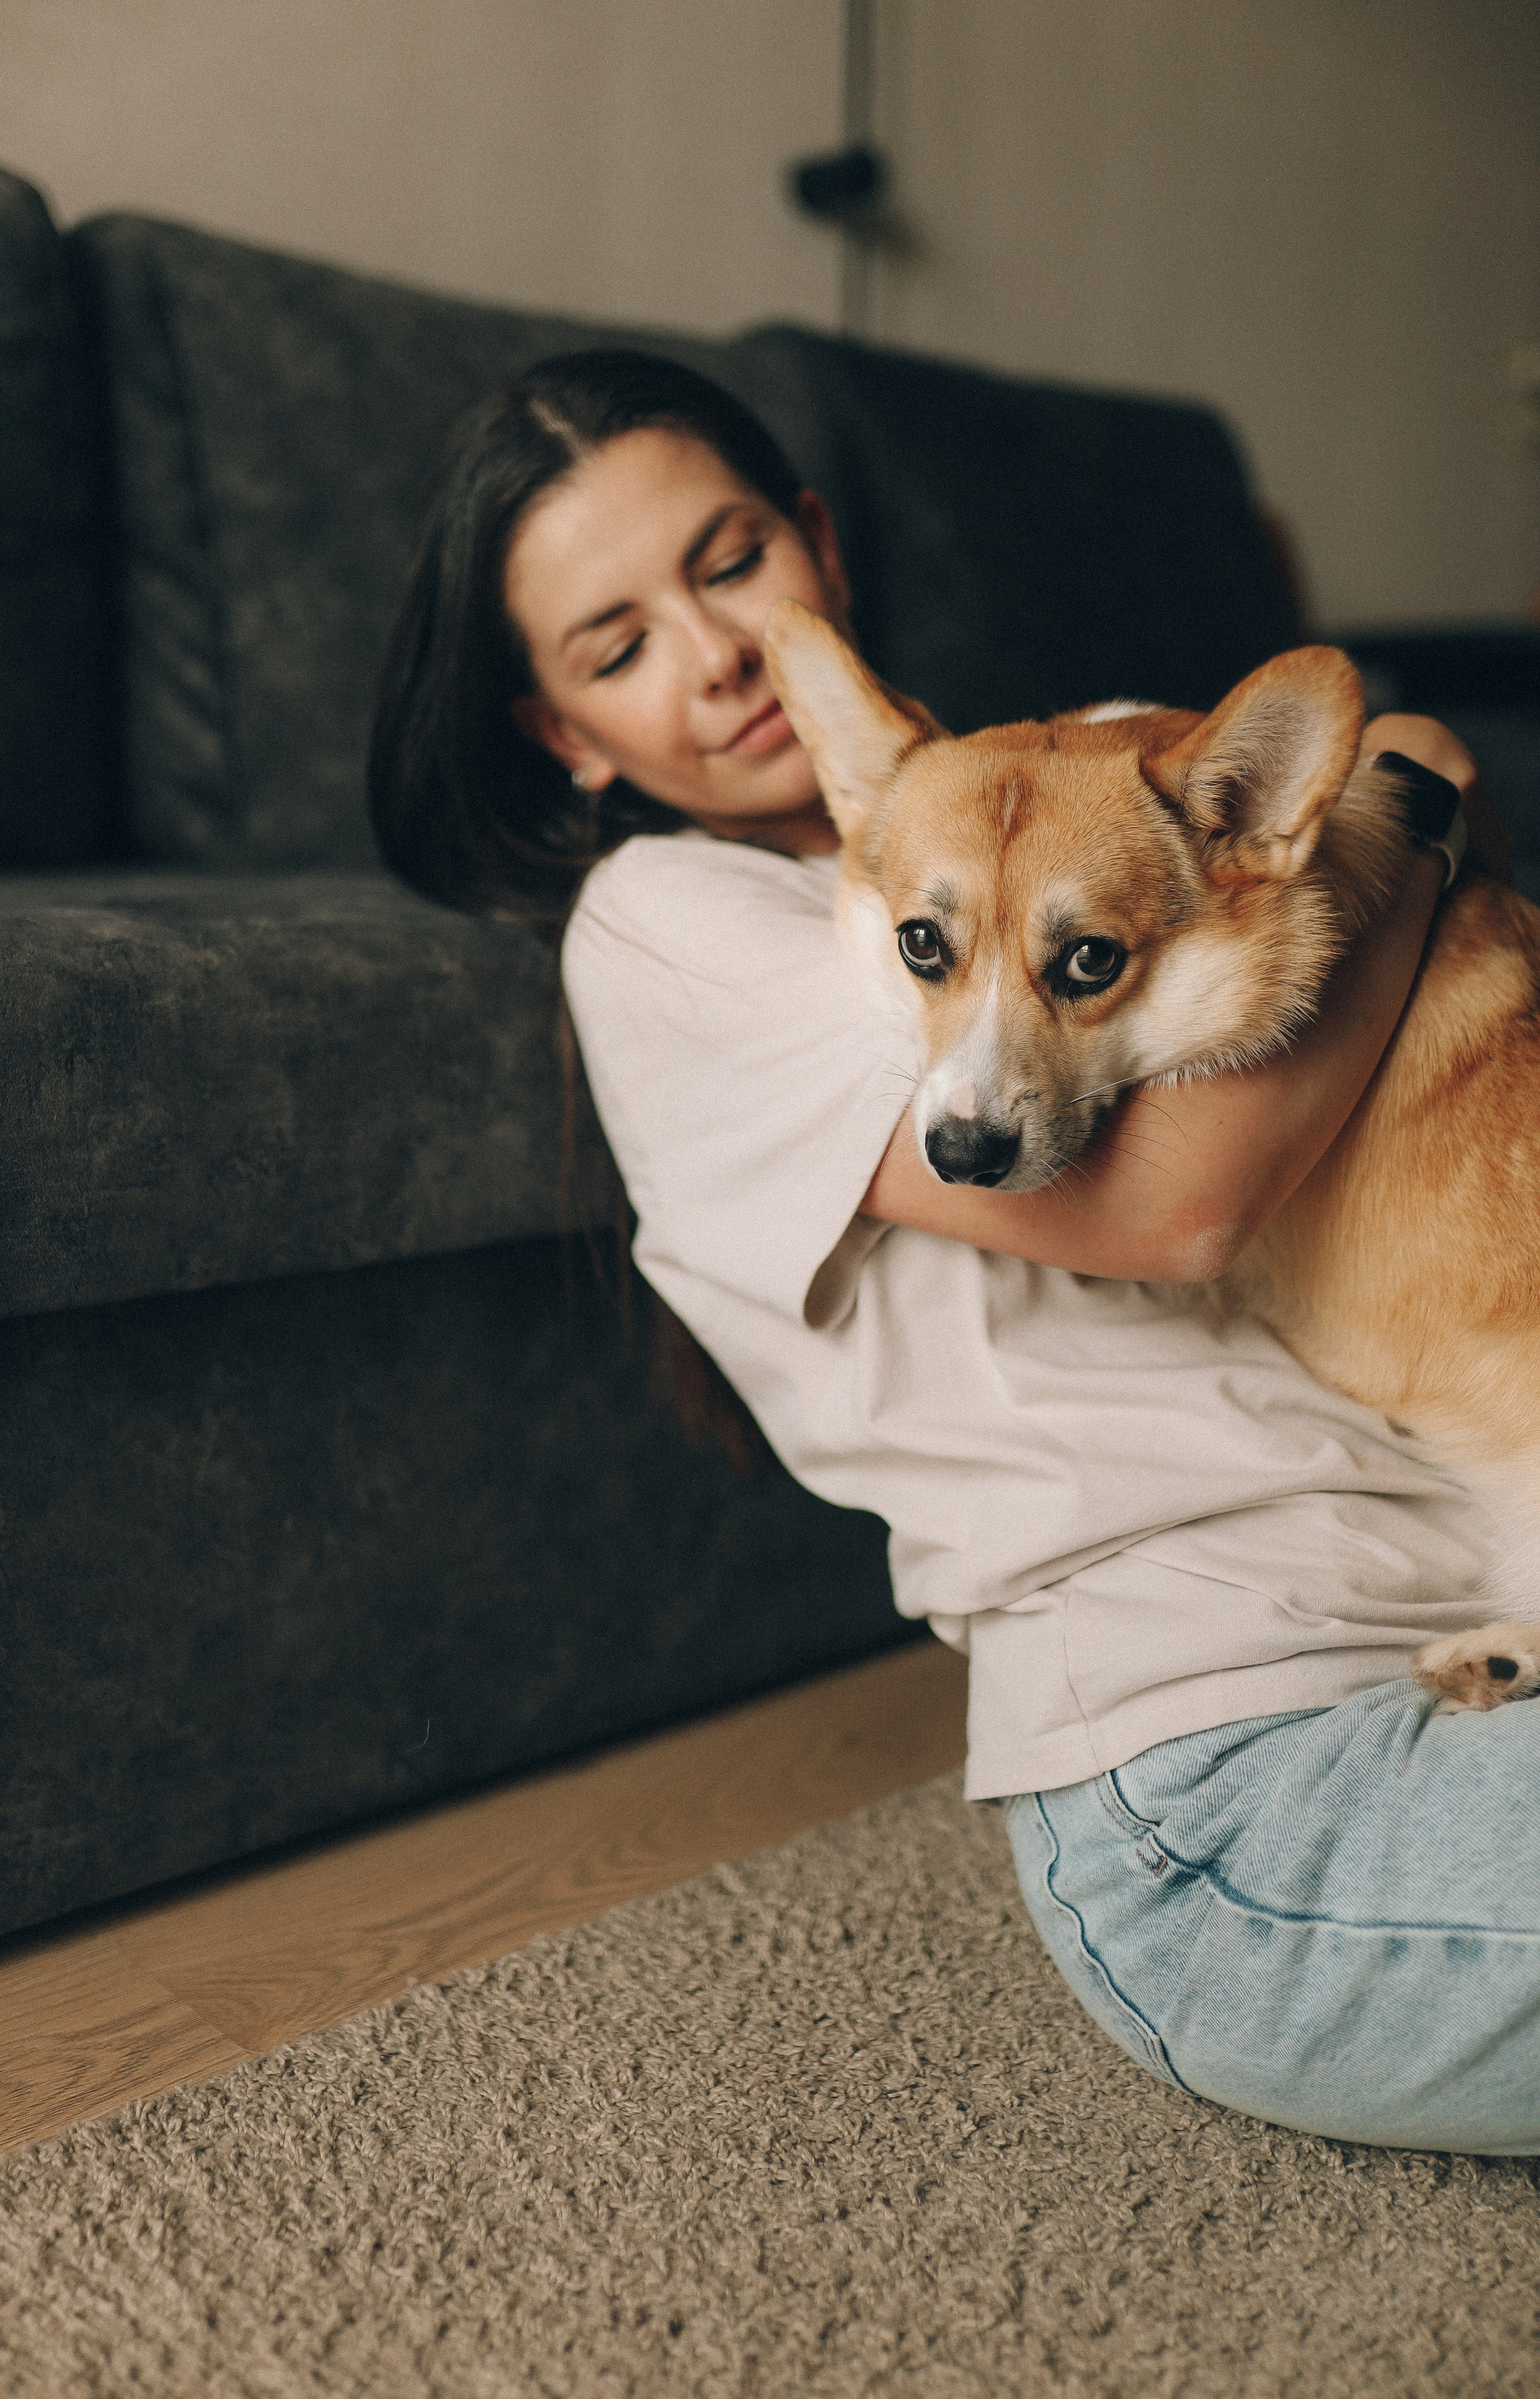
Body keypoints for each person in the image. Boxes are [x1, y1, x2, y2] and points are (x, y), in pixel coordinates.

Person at [370, 349, 1538, 2154]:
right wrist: (1408, 808)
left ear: (817, 543)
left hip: (1466, 1626)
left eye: (730, 560)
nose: (721, 652)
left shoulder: (1053, 798)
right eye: (617, 647)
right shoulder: (671, 929)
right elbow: (1181, 1206)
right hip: (1239, 1776)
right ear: (564, 734)